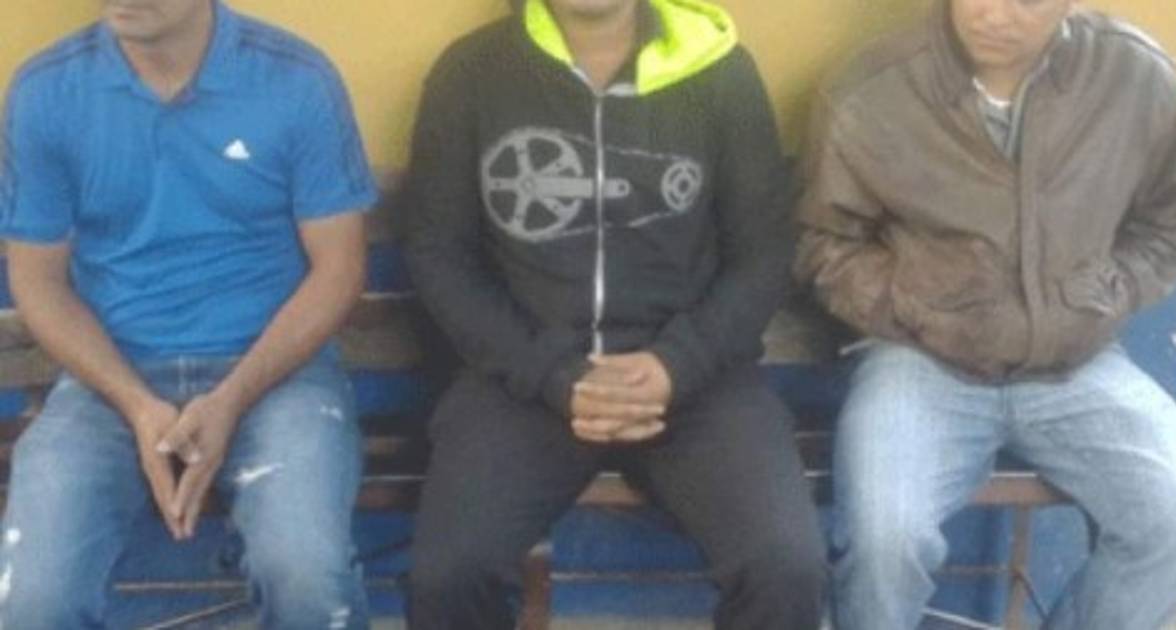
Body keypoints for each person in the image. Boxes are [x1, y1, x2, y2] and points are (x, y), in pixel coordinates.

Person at [401, 0, 826, 627]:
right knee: (448, 576)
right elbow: (439, 256)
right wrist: (554, 374)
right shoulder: (472, 72)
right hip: (523, 381)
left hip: (697, 383)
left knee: (786, 567)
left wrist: (678, 364)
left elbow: (764, 253)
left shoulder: (720, 72)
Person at [796, 0, 1176, 628]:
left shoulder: (1135, 78)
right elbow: (822, 243)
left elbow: (1174, 222)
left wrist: (1108, 292)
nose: (994, 14)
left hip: (1075, 363)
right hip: (919, 359)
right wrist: (913, 305)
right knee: (887, 538)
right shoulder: (874, 88)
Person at [0, 1, 375, 627]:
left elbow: (339, 271)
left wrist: (231, 398)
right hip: (109, 382)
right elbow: (38, 280)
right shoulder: (48, 90)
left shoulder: (295, 79)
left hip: (276, 377)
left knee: (308, 576)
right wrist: (136, 404)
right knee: (34, 599)